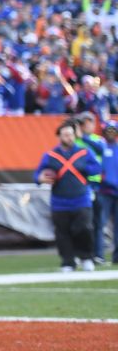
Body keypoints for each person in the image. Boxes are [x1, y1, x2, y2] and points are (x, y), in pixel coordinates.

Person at [35, 120, 102, 272]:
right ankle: (68, 261)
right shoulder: (50, 155)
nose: (69, 138)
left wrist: (84, 168)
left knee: (84, 228)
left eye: (71, 134)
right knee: (62, 232)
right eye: (65, 135)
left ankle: (86, 257)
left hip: (81, 198)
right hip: (59, 201)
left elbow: (97, 168)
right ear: (59, 137)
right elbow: (38, 173)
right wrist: (40, 178)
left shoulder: (84, 153)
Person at [75, 112, 107, 265]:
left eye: (88, 122)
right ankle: (83, 253)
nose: (85, 125)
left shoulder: (97, 140)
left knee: (98, 222)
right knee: (81, 222)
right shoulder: (76, 142)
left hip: (99, 187)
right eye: (83, 123)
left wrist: (83, 137)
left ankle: (98, 254)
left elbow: (101, 150)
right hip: (82, 185)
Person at [97, 120, 118, 264]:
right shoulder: (100, 147)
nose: (110, 133)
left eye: (113, 130)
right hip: (104, 191)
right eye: (108, 130)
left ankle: (116, 257)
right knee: (100, 224)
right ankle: (99, 255)